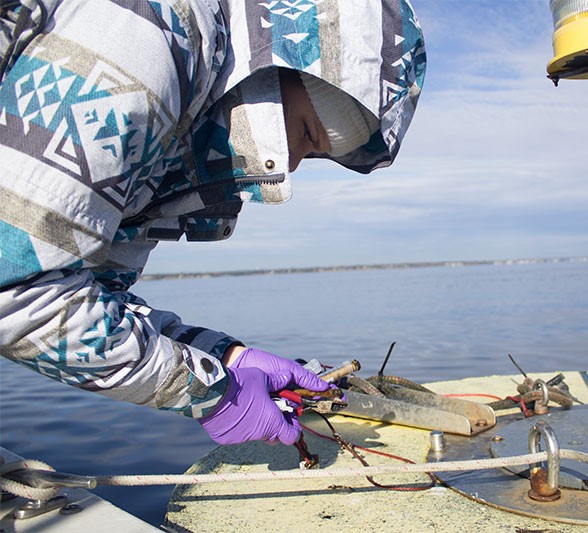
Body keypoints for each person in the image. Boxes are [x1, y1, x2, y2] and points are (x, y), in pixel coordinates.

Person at [0, 0, 426, 446]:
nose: (292, 165)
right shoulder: (142, 43)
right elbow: (19, 288)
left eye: (314, 153)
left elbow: (94, 293)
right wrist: (213, 392)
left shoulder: (184, 104)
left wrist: (223, 357)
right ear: (273, 69)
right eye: (305, 132)